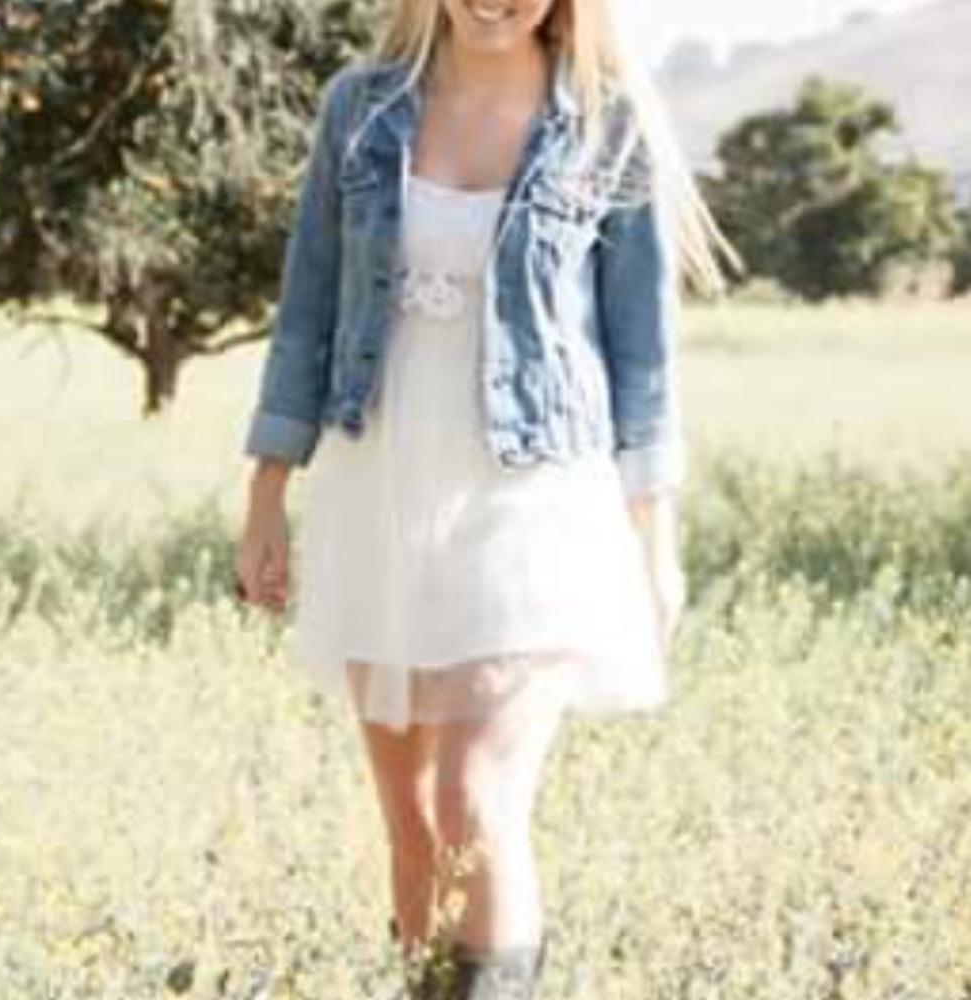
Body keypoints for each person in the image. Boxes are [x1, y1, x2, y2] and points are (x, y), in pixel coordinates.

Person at [236, 1, 733, 996]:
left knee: (475, 798)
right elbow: (306, 309)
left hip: (534, 496)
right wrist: (266, 492)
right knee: (413, 823)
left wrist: (656, 540)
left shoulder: (607, 119)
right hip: (378, 486)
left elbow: (643, 356)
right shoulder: (359, 112)